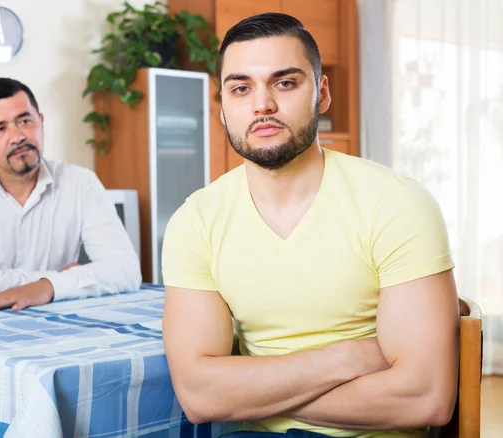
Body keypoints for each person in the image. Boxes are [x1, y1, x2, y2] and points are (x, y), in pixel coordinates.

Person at [161, 12, 459, 438]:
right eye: (241, 88)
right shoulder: (195, 221)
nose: (262, 104)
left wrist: (252, 392)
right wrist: (349, 359)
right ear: (223, 109)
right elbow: (201, 398)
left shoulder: (397, 203)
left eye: (285, 83)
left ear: (321, 94)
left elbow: (425, 396)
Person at [0, 78, 141, 311]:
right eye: (0, 129)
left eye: (25, 121)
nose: (18, 136)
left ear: (41, 121)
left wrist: (47, 287)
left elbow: (125, 270)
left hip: (61, 322)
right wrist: (49, 281)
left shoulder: (81, 183)